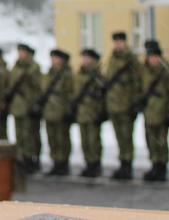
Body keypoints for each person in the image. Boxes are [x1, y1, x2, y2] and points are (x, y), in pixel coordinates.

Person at [103, 32, 142, 180]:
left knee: (126, 136)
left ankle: (127, 164)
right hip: (114, 105)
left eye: (120, 42)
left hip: (126, 105)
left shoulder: (131, 60)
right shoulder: (112, 59)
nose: (118, 45)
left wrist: (134, 102)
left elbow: (136, 82)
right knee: (119, 136)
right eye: (116, 42)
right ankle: (122, 162)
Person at [136, 43, 169, 182]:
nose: (152, 60)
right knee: (151, 140)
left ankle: (162, 167)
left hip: (162, 111)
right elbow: (140, 88)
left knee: (161, 141)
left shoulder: (166, 72)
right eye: (150, 57)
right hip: (149, 112)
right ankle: (154, 164)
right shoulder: (144, 71)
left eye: (155, 57)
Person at [5, 43, 43, 172]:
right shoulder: (16, 67)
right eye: (19, 52)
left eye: (22, 52)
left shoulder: (33, 67)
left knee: (30, 135)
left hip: (28, 105)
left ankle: (31, 158)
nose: (20, 55)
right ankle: (21, 157)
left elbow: (37, 86)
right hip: (17, 106)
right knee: (20, 134)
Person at [39, 49, 74, 176]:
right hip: (49, 111)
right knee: (52, 139)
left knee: (62, 139)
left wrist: (69, 110)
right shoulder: (48, 74)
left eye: (55, 58)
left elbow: (71, 93)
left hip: (61, 111)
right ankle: (55, 162)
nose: (53, 60)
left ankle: (63, 163)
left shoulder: (66, 75)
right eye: (52, 58)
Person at [73, 48, 106, 178]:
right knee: (85, 141)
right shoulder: (79, 75)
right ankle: (88, 164)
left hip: (93, 112)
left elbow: (102, 97)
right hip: (82, 112)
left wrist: (101, 112)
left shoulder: (98, 76)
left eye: (88, 58)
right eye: (84, 58)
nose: (85, 61)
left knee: (94, 141)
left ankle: (95, 165)